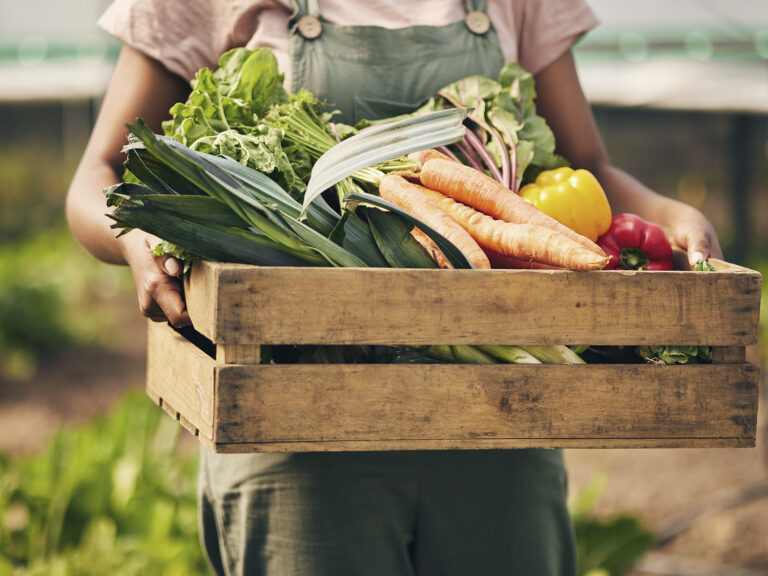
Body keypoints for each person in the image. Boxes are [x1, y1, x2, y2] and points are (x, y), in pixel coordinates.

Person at [67, 1, 722, 574]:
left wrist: (672, 218)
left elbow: (589, 165)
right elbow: (96, 174)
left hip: (501, 419)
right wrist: (137, 243)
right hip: (296, 427)